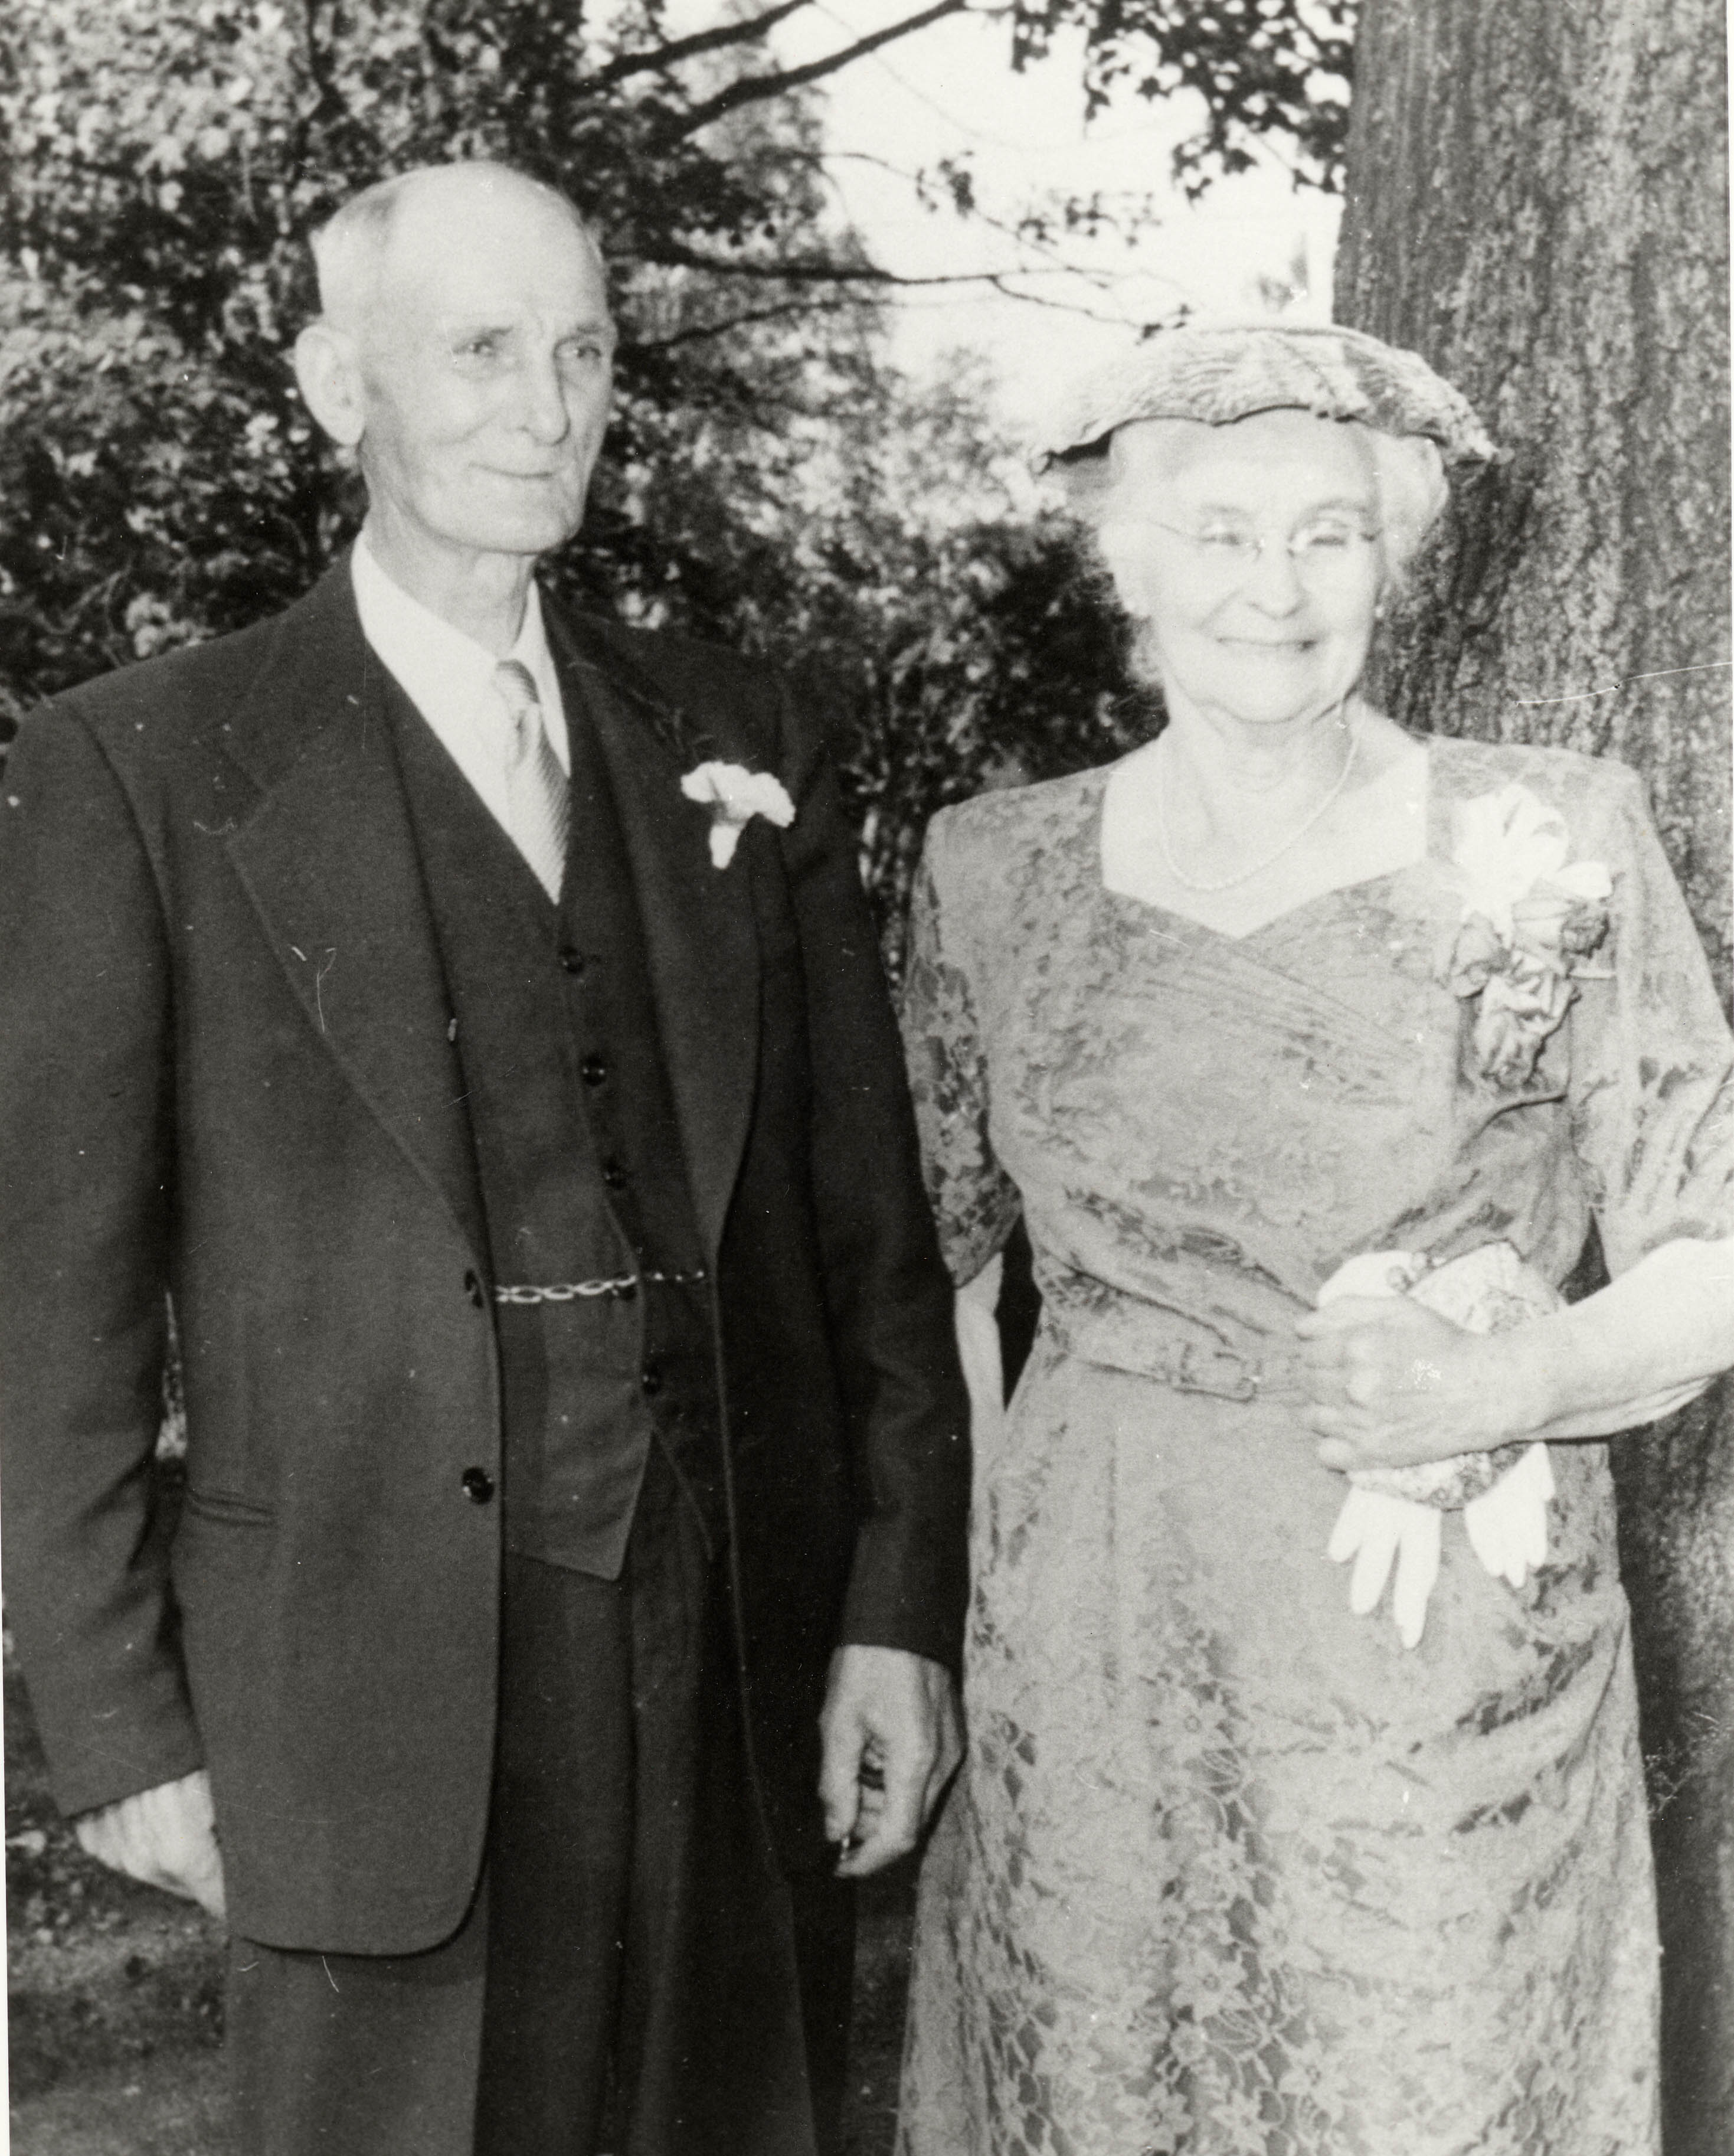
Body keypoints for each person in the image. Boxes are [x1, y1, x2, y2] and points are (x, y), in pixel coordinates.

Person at [0, 161, 970, 2156]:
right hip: (356, 1680)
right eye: (480, 350)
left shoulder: (740, 732)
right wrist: (116, 1718)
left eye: (584, 352)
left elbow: (863, 1233)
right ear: (331, 383)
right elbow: (55, 1297)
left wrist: (893, 1609)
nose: (546, 407)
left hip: (734, 1649)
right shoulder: (140, 766)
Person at [894, 322, 1734, 2155]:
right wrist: (977, 1591)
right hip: (1097, 1637)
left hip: (1433, 1649)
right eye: (1218, 533)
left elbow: (1714, 1247)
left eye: (1327, 535)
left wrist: (1511, 1377)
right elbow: (928, 1275)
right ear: (1127, 564)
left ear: (1392, 561)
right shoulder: (990, 871)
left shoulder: (1550, 837)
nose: (1272, 589)